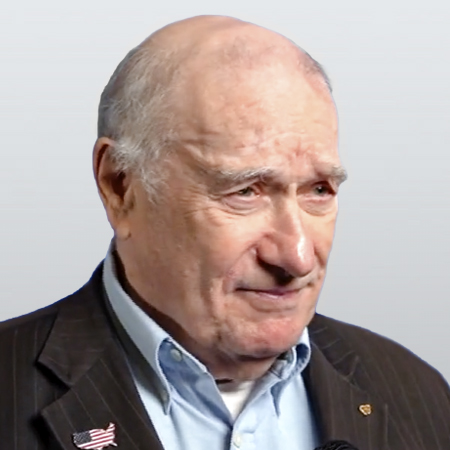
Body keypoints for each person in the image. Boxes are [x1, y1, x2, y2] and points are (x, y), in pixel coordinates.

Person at [0, 15, 449, 450]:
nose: (296, 257)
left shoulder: (415, 393)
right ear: (120, 186)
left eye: (319, 190)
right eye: (245, 191)